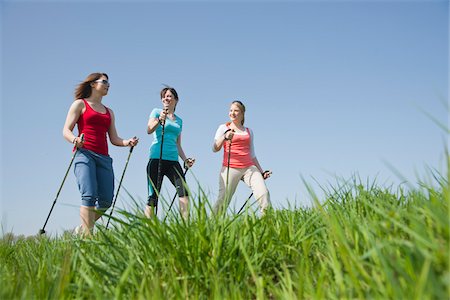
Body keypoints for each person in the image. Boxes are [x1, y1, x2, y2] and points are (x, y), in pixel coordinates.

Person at [63, 73, 139, 235]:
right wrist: (75, 139)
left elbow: (114, 138)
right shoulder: (80, 104)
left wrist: (127, 142)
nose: (107, 85)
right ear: (92, 84)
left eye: (108, 82)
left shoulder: (109, 112)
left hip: (104, 157)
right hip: (84, 154)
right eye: (104, 81)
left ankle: (82, 229)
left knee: (105, 201)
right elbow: (65, 130)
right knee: (89, 195)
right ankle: (88, 238)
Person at [212, 100, 271, 215]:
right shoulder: (224, 127)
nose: (232, 113)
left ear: (242, 114)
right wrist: (224, 136)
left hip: (249, 167)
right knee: (223, 200)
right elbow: (214, 148)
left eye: (236, 110)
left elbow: (252, 155)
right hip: (230, 168)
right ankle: (211, 226)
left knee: (264, 193)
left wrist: (261, 172)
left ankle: (267, 223)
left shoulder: (249, 131)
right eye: (231, 110)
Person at [146, 86, 195, 219]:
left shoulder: (179, 120)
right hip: (157, 158)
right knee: (153, 196)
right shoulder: (156, 112)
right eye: (164, 96)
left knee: (184, 192)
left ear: (176, 100)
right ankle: (148, 228)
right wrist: (159, 119)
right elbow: (149, 129)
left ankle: (186, 226)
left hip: (173, 160)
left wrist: (185, 160)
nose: (166, 98)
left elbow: (178, 144)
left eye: (169, 96)